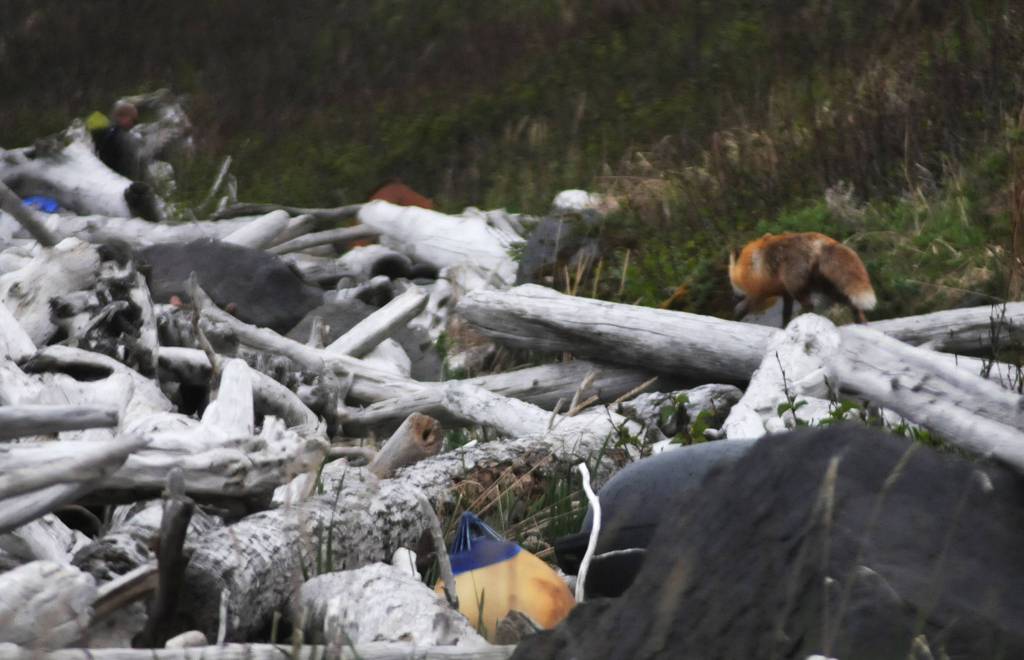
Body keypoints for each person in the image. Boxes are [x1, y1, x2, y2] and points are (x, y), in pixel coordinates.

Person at [93, 101, 143, 180]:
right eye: (133, 120)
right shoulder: (120, 137)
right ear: (123, 117)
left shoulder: (104, 132)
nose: (133, 124)